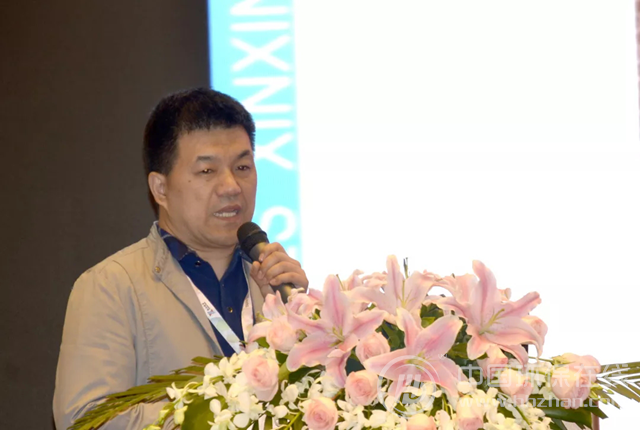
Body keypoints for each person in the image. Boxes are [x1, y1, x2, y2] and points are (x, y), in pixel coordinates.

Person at [53, 88, 308, 430]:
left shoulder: (277, 283)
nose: (231, 186)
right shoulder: (111, 286)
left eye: (242, 166)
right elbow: (84, 419)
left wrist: (304, 319)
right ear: (160, 189)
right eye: (207, 171)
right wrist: (226, 413)